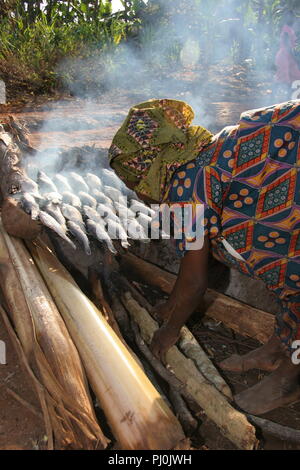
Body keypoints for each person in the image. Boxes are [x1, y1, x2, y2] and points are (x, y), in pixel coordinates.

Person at [108, 98, 300, 416]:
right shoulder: (200, 153)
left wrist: (170, 330)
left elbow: (195, 281)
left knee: (292, 272)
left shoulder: (185, 196)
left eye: (134, 182)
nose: (137, 193)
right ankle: (277, 348)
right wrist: (172, 303)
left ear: (153, 170)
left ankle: (289, 378)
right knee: (269, 254)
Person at [275, 10, 300, 93]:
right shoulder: (286, 30)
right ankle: (285, 97)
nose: (293, 19)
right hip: (284, 57)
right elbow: (287, 46)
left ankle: (289, 97)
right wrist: (296, 58)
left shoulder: (289, 29)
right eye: (291, 17)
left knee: (294, 77)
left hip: (287, 56)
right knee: (285, 79)